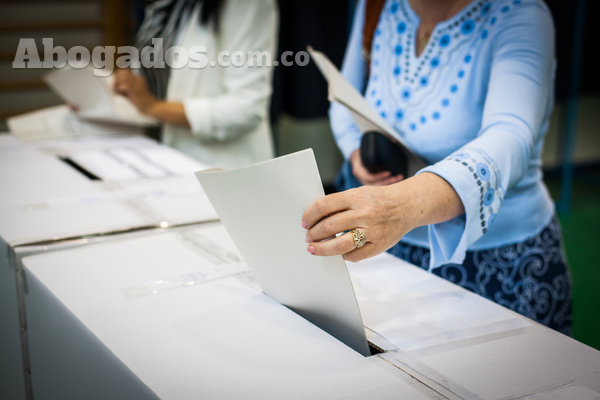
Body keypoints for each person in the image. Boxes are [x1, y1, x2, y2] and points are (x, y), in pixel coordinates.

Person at [302, 0, 572, 334]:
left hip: (498, 261)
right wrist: (357, 153)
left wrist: (404, 204)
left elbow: (512, 135)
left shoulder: (520, 13)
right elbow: (342, 93)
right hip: (391, 252)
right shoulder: (376, 6)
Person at [113, 0, 278, 169]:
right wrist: (128, 85)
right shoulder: (165, 5)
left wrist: (153, 107)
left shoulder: (247, 4)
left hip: (220, 168)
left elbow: (246, 109)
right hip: (159, 155)